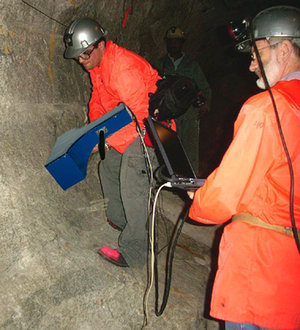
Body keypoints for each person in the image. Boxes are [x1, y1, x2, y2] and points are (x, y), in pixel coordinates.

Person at [188, 6, 300, 330]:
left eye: (257, 52)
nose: (251, 64)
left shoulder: (266, 108)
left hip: (257, 272)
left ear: (285, 49)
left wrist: (198, 198)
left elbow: (222, 198)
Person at [64, 17, 160, 268]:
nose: (80, 61)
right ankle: (122, 219)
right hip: (128, 128)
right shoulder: (98, 67)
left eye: (84, 55)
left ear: (98, 45)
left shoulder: (123, 68)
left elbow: (140, 118)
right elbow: (98, 102)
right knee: (107, 167)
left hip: (151, 133)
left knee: (133, 182)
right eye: (77, 56)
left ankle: (136, 251)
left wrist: (103, 141)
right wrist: (95, 132)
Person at [151, 26, 211, 173]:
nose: (173, 45)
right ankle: (169, 183)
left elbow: (204, 88)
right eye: (170, 42)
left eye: (176, 42)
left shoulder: (192, 66)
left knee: (190, 150)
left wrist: (205, 107)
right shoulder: (160, 65)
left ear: (182, 43)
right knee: (168, 149)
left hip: (189, 114)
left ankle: (191, 186)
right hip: (168, 114)